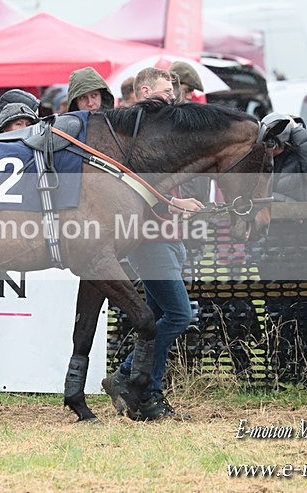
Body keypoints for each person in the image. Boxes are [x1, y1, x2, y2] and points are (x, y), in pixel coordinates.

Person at [101, 69, 203, 420]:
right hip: (150, 239)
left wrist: (181, 201)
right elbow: (136, 186)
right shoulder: (133, 131)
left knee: (159, 317)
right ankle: (127, 374)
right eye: (164, 92)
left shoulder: (158, 129)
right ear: (145, 91)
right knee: (179, 314)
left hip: (168, 237)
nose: (171, 99)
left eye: (172, 94)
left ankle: (150, 396)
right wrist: (175, 204)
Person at [257, 112, 307, 383]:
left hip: (304, 244)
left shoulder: (303, 158)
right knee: (276, 309)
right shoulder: (262, 163)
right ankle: (280, 367)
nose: (270, 150)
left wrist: (297, 131)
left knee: (304, 309)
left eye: (274, 144)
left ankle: (304, 367)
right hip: (272, 246)